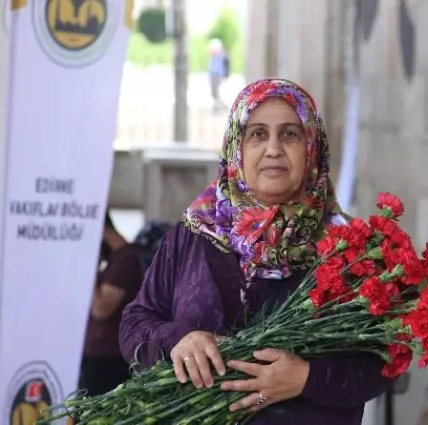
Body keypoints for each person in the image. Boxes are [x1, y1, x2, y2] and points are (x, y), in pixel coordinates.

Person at [119, 78, 390, 424]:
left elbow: (382, 362)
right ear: (237, 147)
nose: (273, 149)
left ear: (312, 146)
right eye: (258, 134)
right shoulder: (195, 233)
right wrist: (176, 340)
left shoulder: (349, 249)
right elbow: (134, 323)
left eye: (290, 134)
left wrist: (307, 378)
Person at [80, 211, 144, 396]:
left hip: (108, 358)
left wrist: (87, 264)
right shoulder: (117, 259)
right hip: (101, 356)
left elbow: (101, 309)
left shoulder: (124, 260)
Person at [207, 38, 229, 111]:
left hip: (216, 76)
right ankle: (217, 106)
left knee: (216, 93)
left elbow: (218, 68)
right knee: (214, 93)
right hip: (214, 76)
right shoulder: (213, 57)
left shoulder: (220, 56)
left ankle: (221, 106)